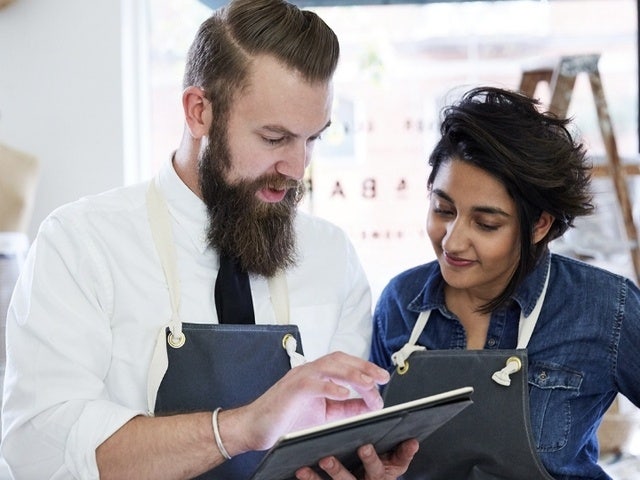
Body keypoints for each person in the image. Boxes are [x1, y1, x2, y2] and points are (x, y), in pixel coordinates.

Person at [1, 1, 418, 479]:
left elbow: (340, 435)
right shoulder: (81, 245)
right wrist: (242, 427)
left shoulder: (332, 257)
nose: (298, 169)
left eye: (312, 140)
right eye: (274, 138)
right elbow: (39, 453)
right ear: (199, 112)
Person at [370, 86, 640, 479]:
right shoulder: (400, 302)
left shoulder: (605, 308)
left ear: (539, 225)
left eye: (486, 223)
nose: (452, 240)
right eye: (443, 209)